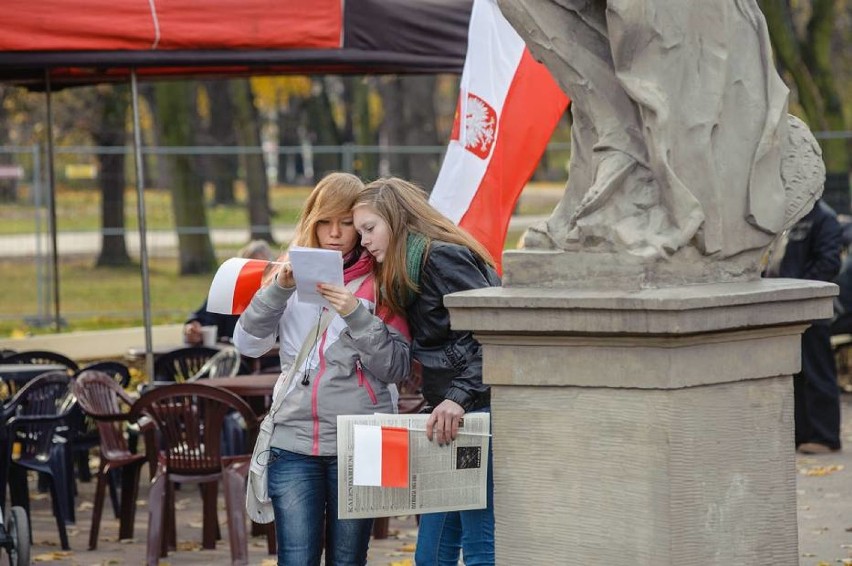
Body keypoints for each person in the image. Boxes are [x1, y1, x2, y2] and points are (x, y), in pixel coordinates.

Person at [234, 172, 411, 565]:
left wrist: (355, 314)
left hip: (362, 441)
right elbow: (247, 343)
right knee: (297, 559)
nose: (335, 233)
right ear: (310, 221)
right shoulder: (283, 272)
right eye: (324, 222)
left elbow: (396, 367)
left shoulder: (384, 279)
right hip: (293, 441)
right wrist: (278, 288)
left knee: (348, 560)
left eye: (346, 223)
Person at [352, 177, 500, 565]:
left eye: (370, 228)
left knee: (480, 543)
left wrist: (458, 398)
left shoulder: (441, 257)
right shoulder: (409, 268)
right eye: (360, 232)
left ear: (397, 219)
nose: (364, 240)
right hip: (447, 417)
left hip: (474, 414)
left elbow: (494, 335)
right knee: (432, 552)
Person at [775, 199, 844, 454]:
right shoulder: (788, 218)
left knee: (817, 372)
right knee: (797, 375)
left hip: (810, 311)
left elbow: (828, 263)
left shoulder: (822, 217)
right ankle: (802, 433)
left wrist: (800, 291)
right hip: (786, 310)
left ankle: (825, 436)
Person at [183, 239, 276, 345]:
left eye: (262, 269)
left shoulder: (282, 297)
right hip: (232, 358)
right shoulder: (227, 294)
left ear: (272, 272)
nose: (256, 275)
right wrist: (193, 328)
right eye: (250, 269)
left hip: (272, 359)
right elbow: (202, 320)